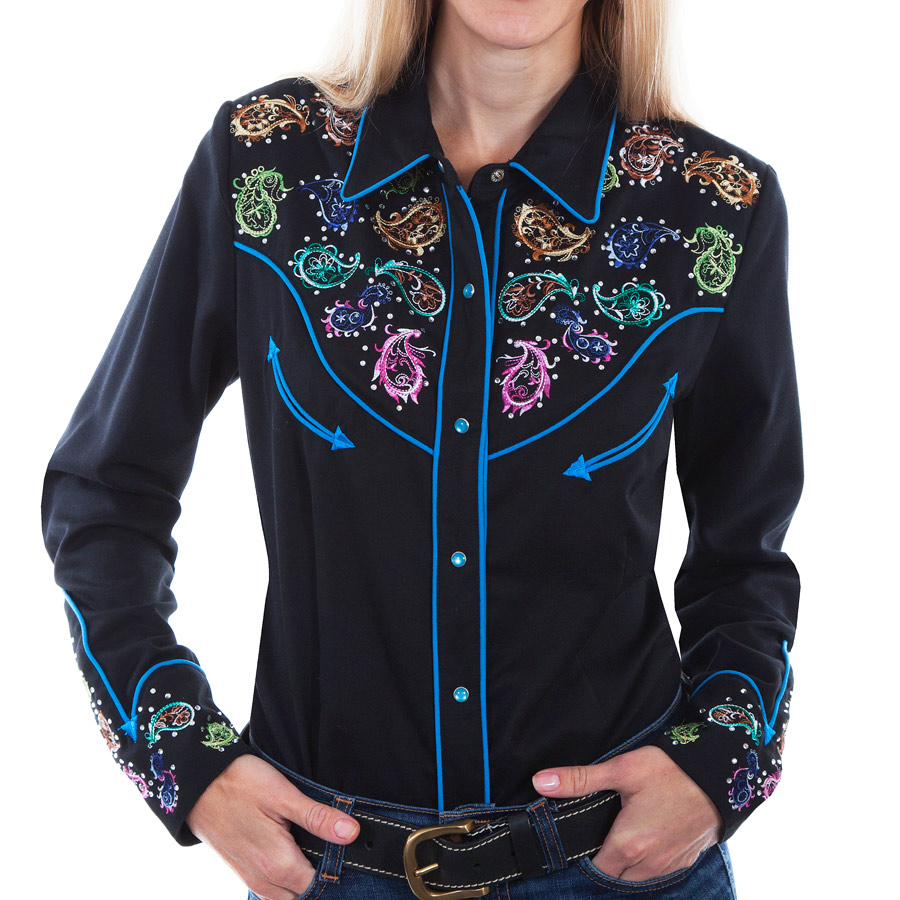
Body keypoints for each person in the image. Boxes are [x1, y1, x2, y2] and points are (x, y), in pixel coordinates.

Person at [40, 0, 802, 898]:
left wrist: (716, 770)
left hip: (622, 865)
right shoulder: (268, 163)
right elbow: (103, 493)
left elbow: (744, 560)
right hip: (327, 866)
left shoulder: (715, 207)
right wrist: (187, 763)